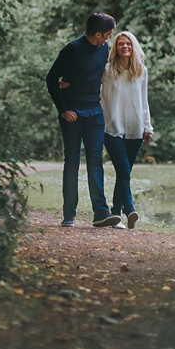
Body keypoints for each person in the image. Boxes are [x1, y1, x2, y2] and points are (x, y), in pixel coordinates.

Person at [45, 13, 122, 228]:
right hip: (73, 113)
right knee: (72, 162)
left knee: (95, 161)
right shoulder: (72, 49)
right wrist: (63, 110)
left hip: (94, 112)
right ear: (97, 34)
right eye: (107, 35)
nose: (108, 38)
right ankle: (69, 215)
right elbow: (51, 79)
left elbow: (99, 76)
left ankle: (101, 213)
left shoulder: (103, 49)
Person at [99, 30, 153, 229]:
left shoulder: (141, 71)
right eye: (121, 44)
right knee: (123, 169)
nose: (125, 47)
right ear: (116, 48)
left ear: (134, 46)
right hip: (111, 127)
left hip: (135, 128)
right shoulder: (107, 71)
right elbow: (93, 90)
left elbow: (144, 101)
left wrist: (148, 127)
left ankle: (115, 214)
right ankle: (129, 209)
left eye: (128, 44)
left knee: (125, 172)